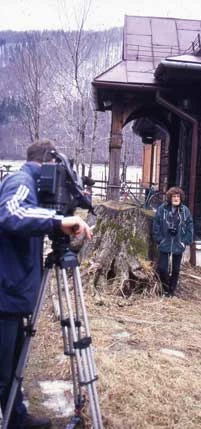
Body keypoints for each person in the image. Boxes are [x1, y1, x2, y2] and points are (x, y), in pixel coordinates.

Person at [0, 140, 92, 429]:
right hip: (5, 293)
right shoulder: (21, 180)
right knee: (3, 372)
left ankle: (17, 419)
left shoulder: (30, 185)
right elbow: (11, 213)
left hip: (12, 290)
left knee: (12, 366)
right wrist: (56, 220)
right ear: (48, 164)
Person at [152, 186, 193, 297]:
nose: (176, 198)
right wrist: (160, 240)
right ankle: (164, 289)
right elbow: (156, 225)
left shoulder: (185, 211)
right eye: (174, 196)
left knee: (175, 270)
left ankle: (172, 291)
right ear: (170, 198)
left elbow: (190, 228)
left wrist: (184, 242)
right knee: (163, 269)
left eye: (178, 196)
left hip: (178, 244)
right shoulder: (162, 209)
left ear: (181, 198)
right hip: (165, 243)